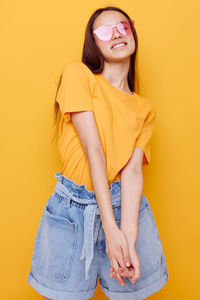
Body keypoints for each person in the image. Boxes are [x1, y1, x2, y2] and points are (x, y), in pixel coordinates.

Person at [27, 6, 169, 300]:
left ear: (132, 31)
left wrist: (126, 237)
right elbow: (94, 150)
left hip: (124, 207)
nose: (117, 33)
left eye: (123, 26)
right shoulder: (77, 74)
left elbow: (131, 171)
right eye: (105, 31)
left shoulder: (145, 109)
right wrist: (109, 227)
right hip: (73, 209)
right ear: (94, 43)